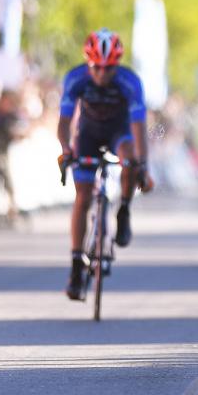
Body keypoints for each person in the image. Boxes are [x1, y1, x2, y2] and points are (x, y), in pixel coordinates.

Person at [57, 28, 152, 300]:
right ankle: (76, 265)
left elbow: (138, 127)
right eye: (96, 68)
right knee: (83, 197)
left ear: (117, 65)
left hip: (119, 132)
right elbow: (64, 122)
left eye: (108, 68)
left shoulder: (129, 81)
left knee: (130, 157)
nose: (101, 74)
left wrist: (141, 164)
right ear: (89, 63)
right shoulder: (75, 78)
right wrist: (66, 149)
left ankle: (123, 209)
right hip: (87, 133)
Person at [0, 90, 22, 220]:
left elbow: (18, 130)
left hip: (1, 153)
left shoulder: (9, 116)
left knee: (7, 181)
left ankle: (12, 208)